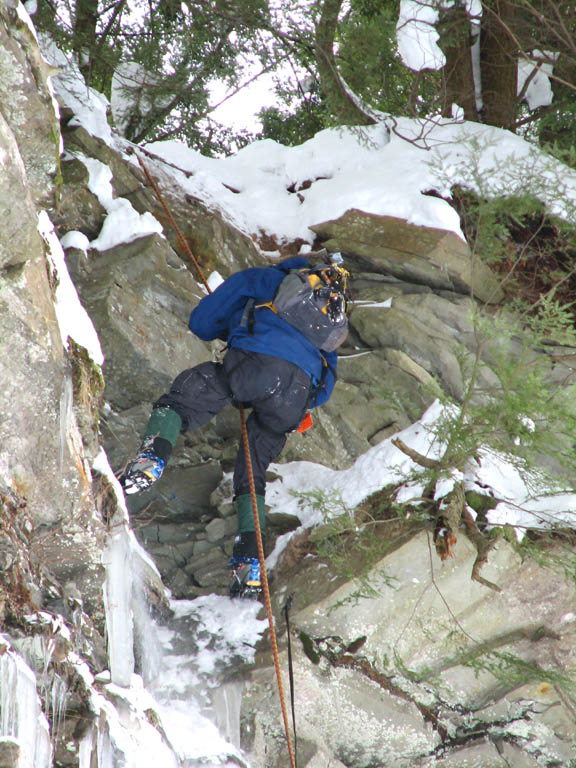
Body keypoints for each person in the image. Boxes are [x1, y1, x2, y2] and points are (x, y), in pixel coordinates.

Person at [120, 252, 350, 597]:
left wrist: (240, 336)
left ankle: (151, 458)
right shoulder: (330, 321)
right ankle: (249, 559)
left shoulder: (268, 280)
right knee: (253, 466)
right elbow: (325, 386)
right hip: (294, 398)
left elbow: (201, 322)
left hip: (253, 367)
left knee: (184, 397)